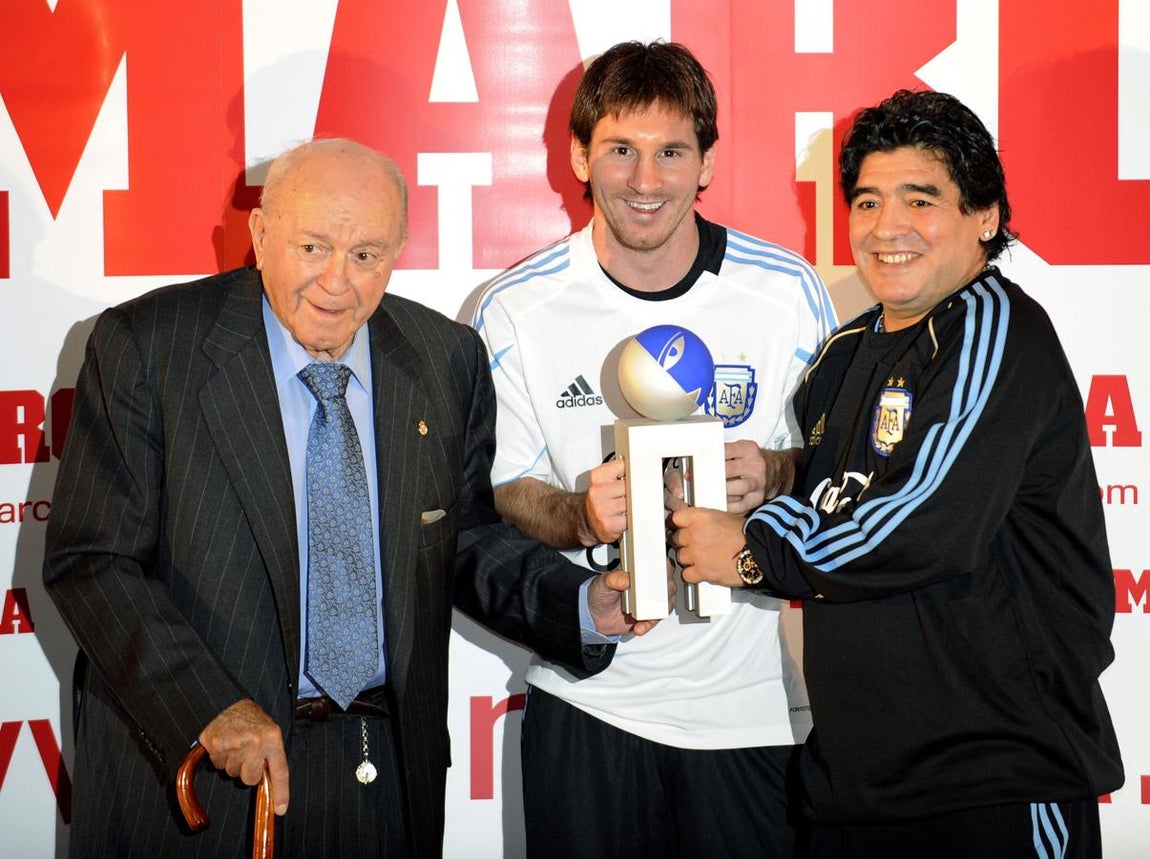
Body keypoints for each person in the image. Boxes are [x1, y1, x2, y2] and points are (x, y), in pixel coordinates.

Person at [42, 138, 648, 858]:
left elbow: (463, 540)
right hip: (203, 777)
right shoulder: (148, 347)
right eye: (312, 247)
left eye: (366, 254)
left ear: (397, 253)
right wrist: (208, 705)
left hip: (384, 774)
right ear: (260, 234)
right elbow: (94, 560)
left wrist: (579, 604)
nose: (336, 281)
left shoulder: (443, 358)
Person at [671, 89, 1124, 858]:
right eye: (868, 201)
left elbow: (923, 520)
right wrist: (778, 474)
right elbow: (854, 490)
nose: (887, 227)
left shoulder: (995, 329)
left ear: (986, 216)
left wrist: (750, 549)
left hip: (992, 785)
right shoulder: (844, 352)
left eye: (921, 200)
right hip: (857, 786)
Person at [471, 41, 835, 858]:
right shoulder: (516, 308)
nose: (645, 180)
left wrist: (775, 472)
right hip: (589, 703)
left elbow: (843, 472)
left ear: (708, 161)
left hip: (751, 711)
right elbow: (499, 487)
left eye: (671, 151)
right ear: (579, 156)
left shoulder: (786, 292)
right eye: (620, 151)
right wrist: (577, 514)